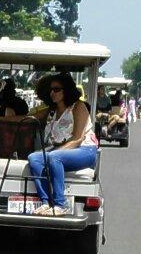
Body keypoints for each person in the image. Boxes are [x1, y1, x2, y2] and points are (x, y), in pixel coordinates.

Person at [26, 73, 98, 214]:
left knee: (54, 157)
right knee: (33, 158)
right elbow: (28, 118)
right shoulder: (51, 111)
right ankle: (46, 202)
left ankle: (60, 204)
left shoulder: (78, 107)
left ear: (67, 90)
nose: (53, 93)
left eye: (57, 89)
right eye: (51, 90)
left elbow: (77, 138)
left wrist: (54, 153)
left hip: (85, 150)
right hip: (61, 151)